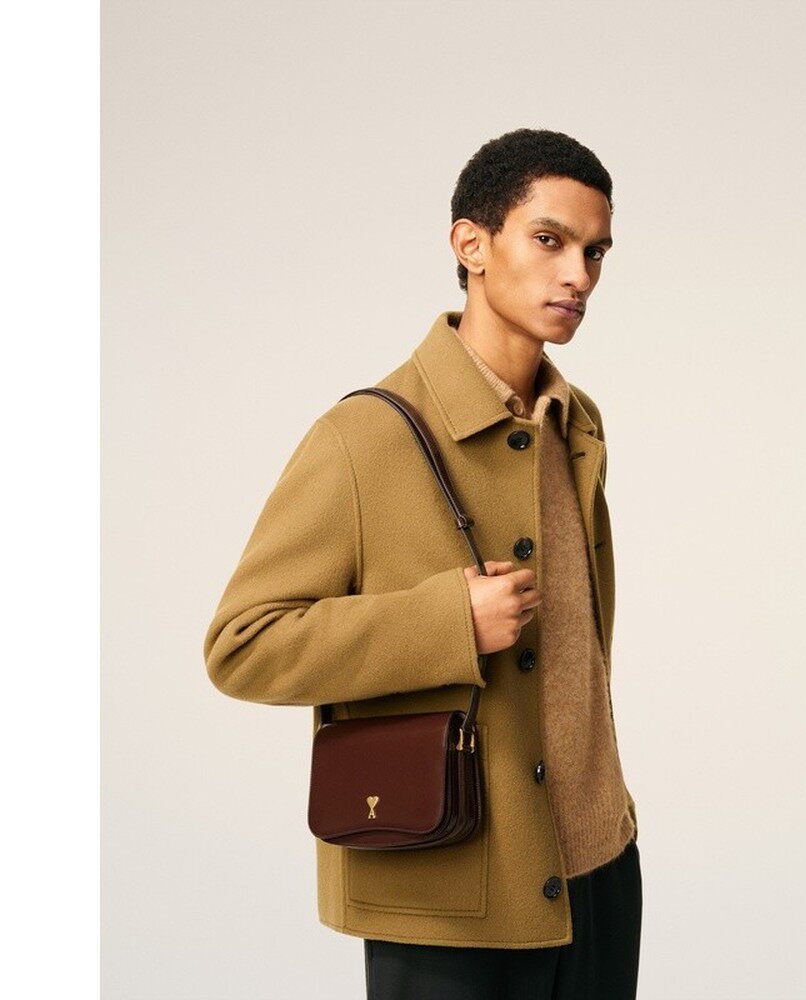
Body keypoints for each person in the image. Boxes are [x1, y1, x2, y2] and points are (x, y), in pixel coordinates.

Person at [204, 127, 641, 999]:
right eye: (549, 240)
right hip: (449, 889)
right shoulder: (363, 437)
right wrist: (448, 623)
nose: (579, 276)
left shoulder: (575, 422)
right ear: (470, 244)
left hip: (599, 870)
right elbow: (242, 646)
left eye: (595, 252)